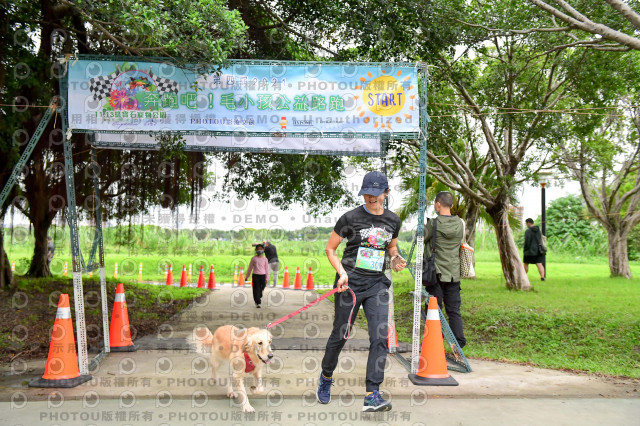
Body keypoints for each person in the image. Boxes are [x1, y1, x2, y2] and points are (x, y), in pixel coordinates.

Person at [316, 171, 406, 412]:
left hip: (377, 284)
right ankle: (326, 377)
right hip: (350, 283)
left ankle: (372, 394)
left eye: (376, 194)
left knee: (380, 338)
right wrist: (342, 273)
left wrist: (396, 258)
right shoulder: (350, 218)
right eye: (367, 194)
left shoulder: (393, 220)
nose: (370, 198)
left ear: (386, 193)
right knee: (341, 334)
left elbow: (392, 247)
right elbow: (330, 249)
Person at [423, 191, 466, 350]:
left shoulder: (433, 224)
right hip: (453, 273)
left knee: (433, 309)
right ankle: (459, 344)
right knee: (454, 310)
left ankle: (435, 343)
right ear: (452, 205)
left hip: (436, 274)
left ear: (438, 204)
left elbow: (422, 238)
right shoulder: (460, 223)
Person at [246, 244, 270, 308]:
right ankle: (258, 302)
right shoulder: (254, 258)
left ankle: (259, 294)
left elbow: (267, 269)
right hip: (256, 275)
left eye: (261, 249)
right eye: (258, 249)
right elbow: (250, 268)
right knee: (256, 289)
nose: (259, 250)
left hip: (263, 275)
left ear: (263, 250)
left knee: (261, 288)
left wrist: (267, 278)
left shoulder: (265, 259)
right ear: (256, 250)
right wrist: (247, 276)